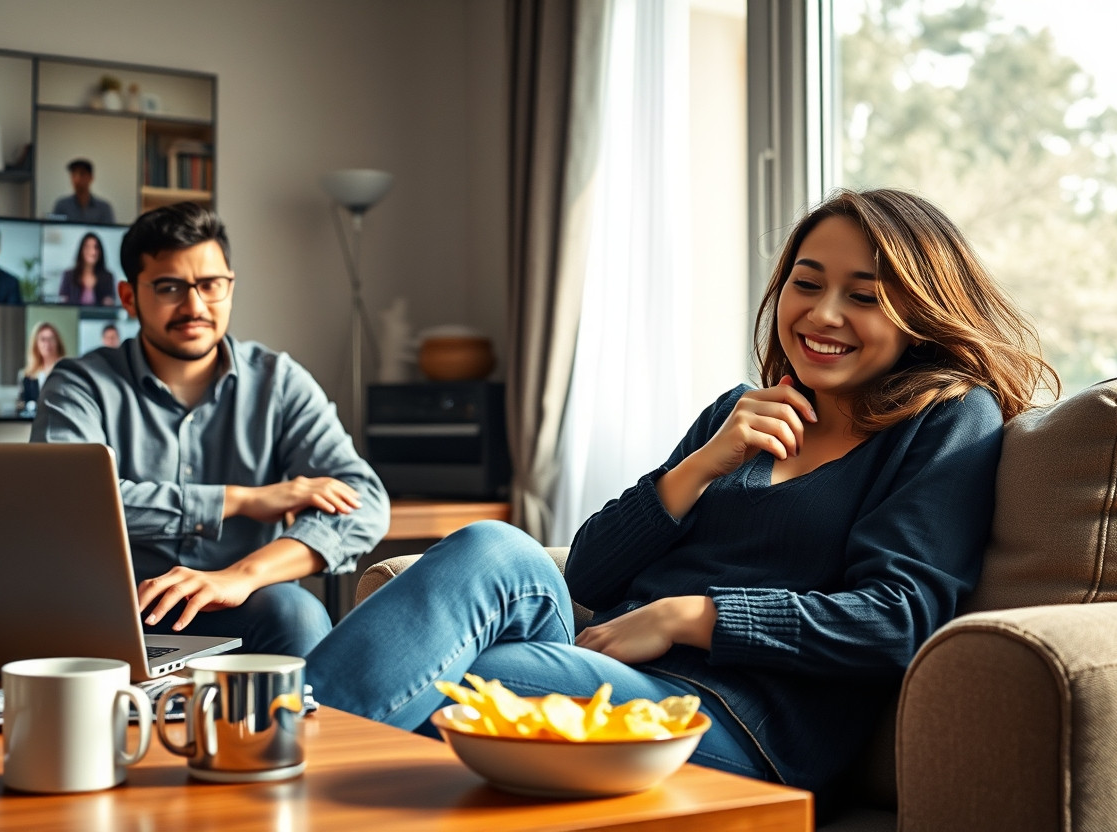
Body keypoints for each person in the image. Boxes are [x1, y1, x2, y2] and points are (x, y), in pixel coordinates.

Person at [302, 189, 1059, 803]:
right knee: (492, 546)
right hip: (609, 670)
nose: (823, 314)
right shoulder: (742, 410)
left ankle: (271, 766)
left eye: (863, 296)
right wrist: (698, 467)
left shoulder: (947, 417)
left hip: (735, 721)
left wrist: (688, 616)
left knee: (469, 675)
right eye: (806, 284)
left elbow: (898, 619)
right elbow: (589, 574)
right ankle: (274, 758)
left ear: (919, 314)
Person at [30, 202, 390, 657]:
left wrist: (241, 576)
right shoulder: (79, 384)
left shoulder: (278, 381)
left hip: (243, 605)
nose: (195, 306)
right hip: (116, 610)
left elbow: (365, 500)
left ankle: (296, 710)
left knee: (296, 612)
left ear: (230, 287)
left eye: (210, 285)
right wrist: (240, 499)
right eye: (170, 287)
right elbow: (67, 502)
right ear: (128, 296)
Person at [17, 322, 65, 415]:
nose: (47, 343)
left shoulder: (67, 371)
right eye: (43, 339)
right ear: (36, 343)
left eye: (51, 339)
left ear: (58, 342)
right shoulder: (25, 375)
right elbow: (20, 406)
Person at [56, 232, 117, 306]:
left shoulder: (108, 277)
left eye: (96, 247)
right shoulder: (69, 275)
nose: (92, 252)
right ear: (81, 250)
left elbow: (111, 304)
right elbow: (62, 303)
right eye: (88, 247)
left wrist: (109, 302)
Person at [50, 159, 116, 224]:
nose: (77, 179)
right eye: (73, 175)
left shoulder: (104, 208)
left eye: (82, 174)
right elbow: (54, 228)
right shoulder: (61, 205)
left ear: (91, 178)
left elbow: (109, 230)